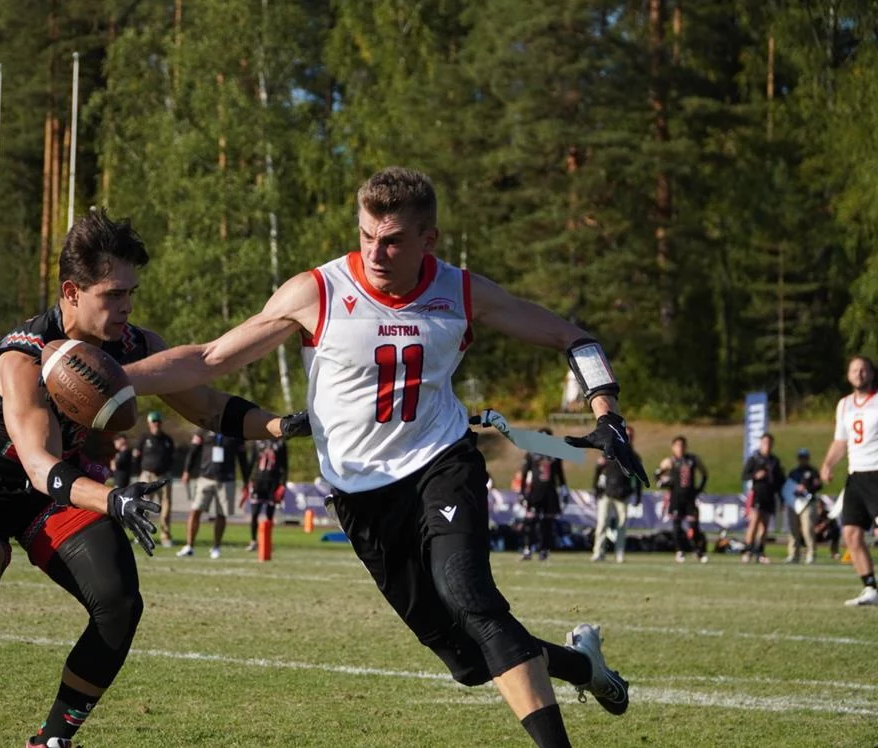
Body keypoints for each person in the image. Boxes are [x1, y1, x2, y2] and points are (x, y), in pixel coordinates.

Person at [123, 167, 648, 746]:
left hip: (440, 465)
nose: (376, 251)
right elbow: (208, 358)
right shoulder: (317, 291)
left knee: (471, 599)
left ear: (430, 240)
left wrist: (608, 414)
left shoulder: (462, 291)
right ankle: (584, 667)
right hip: (361, 496)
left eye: (393, 240)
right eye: (367, 235)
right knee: (469, 661)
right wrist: (115, 380)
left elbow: (573, 337)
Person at [0, 209, 303, 748]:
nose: (126, 306)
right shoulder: (22, 357)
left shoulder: (132, 344)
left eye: (131, 292)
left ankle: (52, 739)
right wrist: (115, 500)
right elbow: (37, 463)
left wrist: (280, 426)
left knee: (120, 601)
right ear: (72, 292)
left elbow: (207, 403)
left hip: (54, 496)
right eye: (112, 294)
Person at [819, 355, 878, 606]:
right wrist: (828, 463)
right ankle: (870, 588)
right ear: (848, 375)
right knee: (851, 533)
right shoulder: (844, 405)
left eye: (863, 370)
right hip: (856, 476)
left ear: (871, 374)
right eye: (855, 370)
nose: (859, 374)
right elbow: (841, 441)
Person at [177, 428, 249, 559]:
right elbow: (193, 450)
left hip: (226, 479)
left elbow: (242, 458)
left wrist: (246, 481)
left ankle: (216, 547)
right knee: (195, 510)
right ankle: (189, 546)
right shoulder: (204, 429)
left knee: (221, 514)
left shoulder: (235, 432)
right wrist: (187, 470)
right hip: (205, 477)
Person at [591, 425, 643, 563]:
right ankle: (598, 552)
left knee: (622, 525)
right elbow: (598, 470)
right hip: (607, 493)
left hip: (623, 494)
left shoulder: (634, 456)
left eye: (630, 436)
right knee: (602, 523)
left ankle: (619, 554)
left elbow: (639, 478)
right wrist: (596, 489)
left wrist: (638, 495)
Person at [656, 436, 709, 564]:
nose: (680, 448)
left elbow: (704, 474)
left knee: (694, 526)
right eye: (678, 445)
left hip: (690, 498)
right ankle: (679, 551)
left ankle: (698, 551)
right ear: (673, 447)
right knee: (677, 526)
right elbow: (657, 476)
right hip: (676, 498)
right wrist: (665, 483)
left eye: (682, 445)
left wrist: (698, 489)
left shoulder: (693, 459)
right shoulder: (669, 461)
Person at [518, 431, 568, 562]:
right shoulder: (531, 453)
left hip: (550, 493)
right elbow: (524, 473)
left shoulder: (555, 454)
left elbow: (560, 475)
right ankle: (528, 548)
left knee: (547, 523)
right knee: (530, 522)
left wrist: (564, 490)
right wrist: (522, 492)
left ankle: (544, 549)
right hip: (534, 492)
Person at [740, 433, 785, 564]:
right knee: (754, 522)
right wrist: (756, 475)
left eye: (769, 443)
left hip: (770, 495)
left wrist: (781, 498)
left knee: (765, 526)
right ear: (761, 443)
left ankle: (760, 552)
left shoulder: (774, 461)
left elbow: (780, 481)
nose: (767, 445)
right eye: (765, 442)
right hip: (757, 494)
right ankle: (748, 550)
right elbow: (744, 475)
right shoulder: (754, 458)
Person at [133, 411, 176, 546]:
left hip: (164, 476)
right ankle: (142, 534)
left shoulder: (167, 439)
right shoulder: (144, 438)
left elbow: (172, 457)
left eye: (158, 421)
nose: (156, 424)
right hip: (147, 475)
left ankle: (165, 536)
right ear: (149, 423)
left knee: (166, 506)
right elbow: (136, 457)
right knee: (144, 505)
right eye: (154, 421)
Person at [243, 436, 288, 551]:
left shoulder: (280, 444)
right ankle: (253, 541)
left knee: (269, 515)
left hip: (273, 483)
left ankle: (267, 541)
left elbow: (284, 466)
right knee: (254, 514)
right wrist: (246, 483)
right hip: (258, 481)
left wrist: (283, 484)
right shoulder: (257, 442)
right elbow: (251, 463)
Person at [783, 448, 822, 564]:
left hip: (808, 502)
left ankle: (811, 553)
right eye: (801, 457)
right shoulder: (793, 472)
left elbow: (818, 485)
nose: (802, 460)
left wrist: (808, 488)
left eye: (804, 457)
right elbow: (788, 487)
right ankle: (793, 554)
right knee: (793, 529)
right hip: (794, 502)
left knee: (807, 529)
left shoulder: (813, 471)